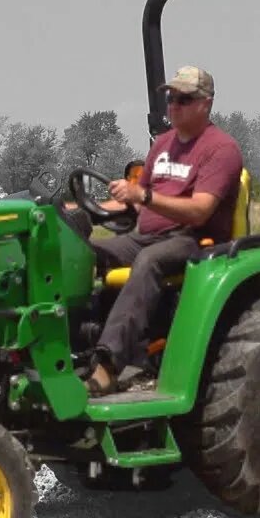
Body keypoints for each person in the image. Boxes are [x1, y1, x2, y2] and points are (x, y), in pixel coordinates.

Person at [85, 65, 244, 396]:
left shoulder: (221, 149)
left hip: (194, 240)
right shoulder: (162, 145)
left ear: (206, 103)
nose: (173, 105)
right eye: (170, 98)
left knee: (148, 261)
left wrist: (142, 195)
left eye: (183, 99)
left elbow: (200, 210)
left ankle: (107, 366)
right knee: (86, 253)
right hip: (146, 235)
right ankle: (70, 348)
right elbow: (137, 205)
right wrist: (81, 212)